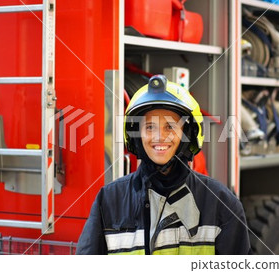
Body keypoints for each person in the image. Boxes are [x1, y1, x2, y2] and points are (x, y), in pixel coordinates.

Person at [76, 75, 251, 255]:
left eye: (170, 127)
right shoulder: (109, 201)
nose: (160, 136)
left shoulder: (222, 203)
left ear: (187, 133)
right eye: (150, 127)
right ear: (137, 136)